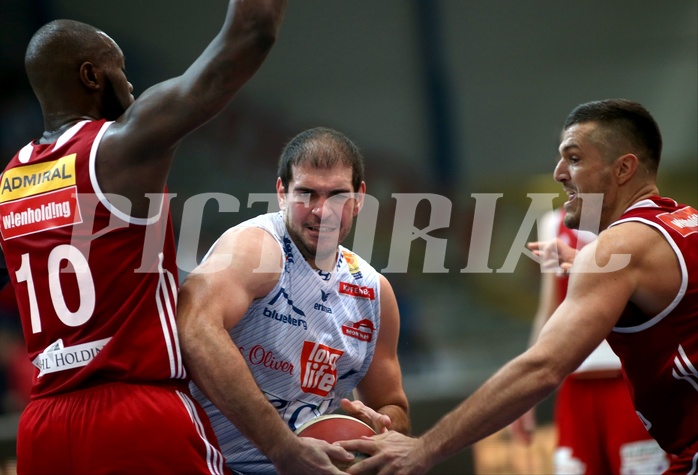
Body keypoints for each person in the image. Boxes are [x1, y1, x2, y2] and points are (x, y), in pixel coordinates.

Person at [338, 98, 698, 475]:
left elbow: (542, 366)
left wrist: (423, 449)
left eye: (574, 158)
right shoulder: (681, 221)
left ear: (624, 168)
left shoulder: (619, 247)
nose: (559, 172)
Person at [0, 2, 286, 474]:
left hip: (44, 427)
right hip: (135, 412)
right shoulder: (117, 147)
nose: (130, 85)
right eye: (121, 69)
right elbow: (251, 34)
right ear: (92, 76)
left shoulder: (12, 181)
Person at [177, 127, 410, 475]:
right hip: (210, 464)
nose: (322, 211)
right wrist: (282, 447)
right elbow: (193, 327)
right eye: (306, 194)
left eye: (337, 195)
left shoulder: (374, 292)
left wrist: (381, 426)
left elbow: (393, 406)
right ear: (281, 193)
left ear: (359, 198)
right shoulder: (255, 249)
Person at [510, 208, 668, 474]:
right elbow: (549, 312)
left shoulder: (641, 223)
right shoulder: (553, 224)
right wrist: (526, 392)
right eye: (564, 162)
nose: (563, 171)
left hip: (630, 387)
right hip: (575, 391)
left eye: (574, 162)